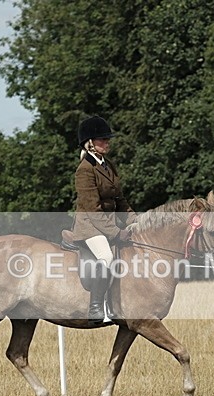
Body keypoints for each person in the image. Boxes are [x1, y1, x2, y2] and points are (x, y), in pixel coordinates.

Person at [71, 115, 137, 323]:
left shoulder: (108, 165)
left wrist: (135, 220)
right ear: (89, 143)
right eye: (102, 139)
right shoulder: (85, 170)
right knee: (106, 258)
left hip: (106, 224)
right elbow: (93, 210)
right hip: (90, 226)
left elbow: (120, 200)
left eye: (107, 139)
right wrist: (117, 232)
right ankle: (96, 308)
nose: (107, 142)